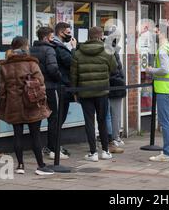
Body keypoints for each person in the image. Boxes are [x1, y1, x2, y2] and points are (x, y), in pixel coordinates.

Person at [0, 36, 54, 175]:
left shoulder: (4, 66)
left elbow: (2, 89)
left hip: (13, 104)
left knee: (17, 135)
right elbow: (40, 82)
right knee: (35, 135)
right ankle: (40, 166)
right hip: (31, 103)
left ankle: (20, 165)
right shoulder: (31, 64)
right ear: (25, 47)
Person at [70, 26, 117, 162]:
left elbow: (73, 75)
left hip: (84, 92)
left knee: (89, 122)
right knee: (102, 121)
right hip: (102, 91)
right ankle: (105, 151)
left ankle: (93, 152)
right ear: (101, 35)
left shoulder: (78, 53)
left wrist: (74, 92)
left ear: (88, 37)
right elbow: (114, 69)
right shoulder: (107, 50)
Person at [30, 27, 68, 160]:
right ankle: (53, 149)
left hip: (36, 88)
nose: (53, 40)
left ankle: (38, 148)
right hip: (51, 87)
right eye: (52, 37)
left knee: (37, 117)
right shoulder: (49, 49)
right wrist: (60, 78)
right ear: (46, 37)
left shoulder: (31, 49)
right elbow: (53, 68)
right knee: (54, 118)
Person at [145, 24, 169, 162]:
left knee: (165, 122)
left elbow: (165, 70)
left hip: (163, 90)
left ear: (161, 33)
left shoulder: (162, 50)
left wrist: (150, 70)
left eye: (155, 32)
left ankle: (166, 153)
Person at [51, 22, 77, 158]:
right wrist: (74, 49)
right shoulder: (58, 47)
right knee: (58, 118)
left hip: (62, 86)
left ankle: (53, 146)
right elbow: (72, 62)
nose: (70, 35)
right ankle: (54, 148)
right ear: (60, 33)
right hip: (61, 87)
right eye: (68, 33)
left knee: (58, 118)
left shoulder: (58, 46)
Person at [106, 26, 126, 154]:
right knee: (114, 114)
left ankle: (112, 137)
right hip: (114, 85)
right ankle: (114, 137)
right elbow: (115, 68)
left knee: (109, 115)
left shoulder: (110, 48)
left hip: (109, 85)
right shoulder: (110, 49)